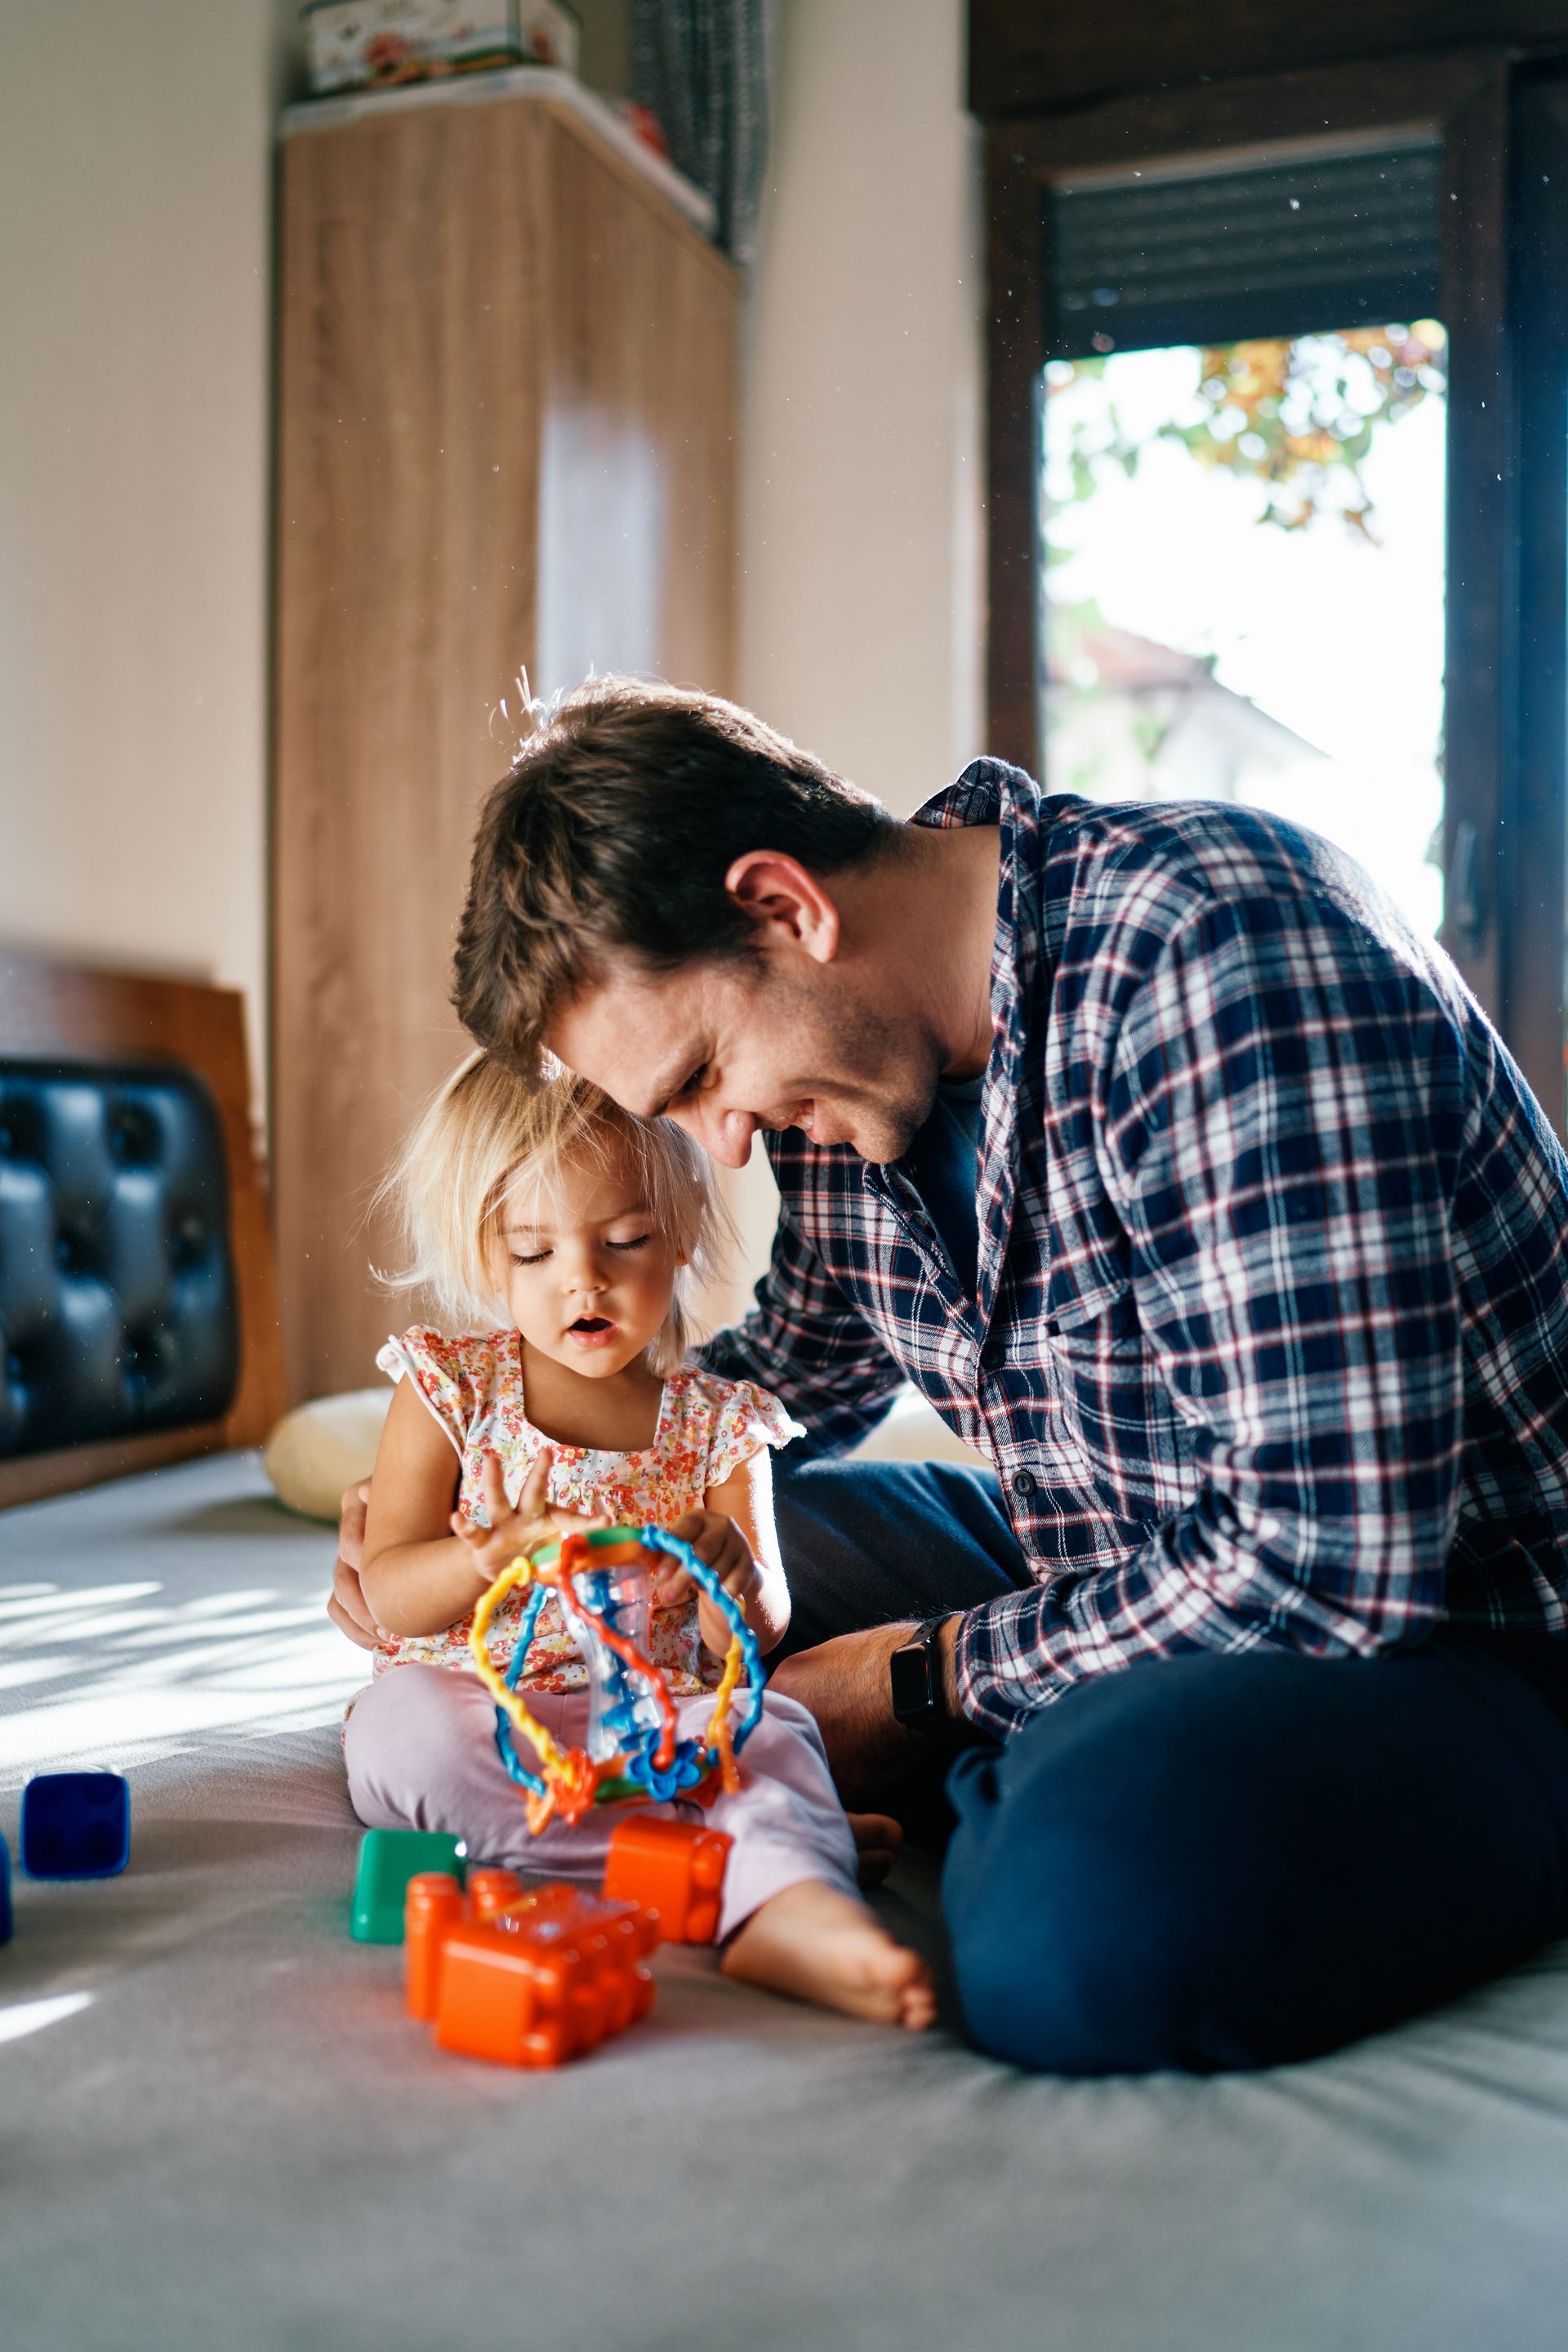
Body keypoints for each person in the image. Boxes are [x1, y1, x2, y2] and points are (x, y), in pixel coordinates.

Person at [335, 675, 1568, 2076]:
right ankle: (943, 1769)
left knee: (1075, 1933)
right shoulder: (838, 1085)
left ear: (787, 907)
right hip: (1103, 1544)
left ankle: (1017, 1784)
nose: (720, 1145)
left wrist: (926, 1679)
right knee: (665, 1561)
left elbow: (1330, 1560)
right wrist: (469, 1511)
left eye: (696, 1080)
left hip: (1461, 1625)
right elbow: (782, 1384)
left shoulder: (1216, 953)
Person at [343, 1050, 934, 2030]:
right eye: (534, 1253)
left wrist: (731, 1580)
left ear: (684, 1237)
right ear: (486, 1256)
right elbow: (393, 1599)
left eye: (625, 1239)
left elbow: (756, 1635)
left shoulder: (722, 1423)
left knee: (777, 1730)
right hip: (488, 1713)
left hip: (653, 1725)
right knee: (400, 1728)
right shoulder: (447, 1388)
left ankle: (792, 1907)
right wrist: (480, 1558)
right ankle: (725, 1865)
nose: (584, 1280)